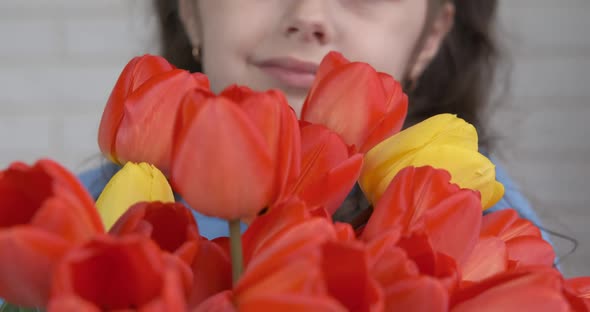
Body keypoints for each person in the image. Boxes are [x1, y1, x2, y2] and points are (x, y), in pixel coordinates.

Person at [81, 0, 547, 241]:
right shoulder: (72, 215)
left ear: (431, 38)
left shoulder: (478, 216)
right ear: (191, 11)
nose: (307, 16)